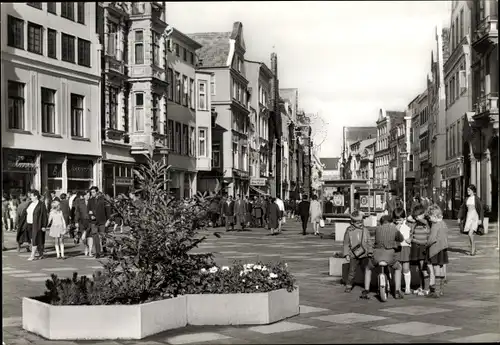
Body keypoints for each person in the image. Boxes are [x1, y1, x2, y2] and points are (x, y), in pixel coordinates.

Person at [363, 213, 405, 300]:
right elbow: (401, 239)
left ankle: (366, 290)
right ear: (390, 222)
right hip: (389, 255)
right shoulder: (394, 228)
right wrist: (397, 229)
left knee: (368, 268)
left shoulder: (377, 229)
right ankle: (397, 291)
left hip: (377, 254)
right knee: (398, 268)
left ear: (381, 222)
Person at [343, 210, 373, 294]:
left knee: (366, 270)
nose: (360, 223)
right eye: (357, 222)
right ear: (352, 222)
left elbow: (369, 242)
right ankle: (348, 285)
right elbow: (346, 243)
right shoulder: (349, 231)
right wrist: (346, 254)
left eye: (361, 221)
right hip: (353, 254)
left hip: (365, 254)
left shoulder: (365, 230)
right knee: (352, 271)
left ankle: (368, 285)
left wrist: (370, 251)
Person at [426, 204, 449, 298]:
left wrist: (426, 244)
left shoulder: (435, 225)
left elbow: (432, 239)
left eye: (430, 217)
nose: (430, 219)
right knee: (441, 269)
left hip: (435, 250)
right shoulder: (443, 223)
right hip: (443, 250)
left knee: (436, 270)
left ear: (435, 216)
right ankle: (441, 290)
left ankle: (436, 291)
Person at [407, 204, 431, 296]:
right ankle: (421, 286)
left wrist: (417, 218)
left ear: (423, 214)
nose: (417, 218)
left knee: (423, 268)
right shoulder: (415, 223)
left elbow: (423, 221)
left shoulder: (426, 222)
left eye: (419, 215)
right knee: (419, 269)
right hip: (416, 247)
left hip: (423, 248)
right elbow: (409, 219)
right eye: (416, 216)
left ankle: (426, 288)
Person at [18, 190, 48, 261]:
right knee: (32, 240)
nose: (30, 197)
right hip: (29, 224)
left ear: (35, 196)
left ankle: (32, 255)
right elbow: (25, 213)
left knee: (35, 239)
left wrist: (44, 225)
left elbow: (44, 215)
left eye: (31, 195)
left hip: (37, 224)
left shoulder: (41, 204)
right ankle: (41, 254)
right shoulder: (30, 203)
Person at [457, 185, 483, 256]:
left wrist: (480, 219)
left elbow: (481, 209)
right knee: (469, 234)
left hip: (475, 217)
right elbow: (462, 208)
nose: (467, 191)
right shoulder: (466, 199)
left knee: (470, 233)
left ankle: (473, 249)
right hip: (468, 217)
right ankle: (473, 247)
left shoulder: (477, 199)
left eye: (469, 190)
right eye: (467, 190)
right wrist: (459, 217)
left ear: (472, 191)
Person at [88, 186, 111, 259]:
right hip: (93, 221)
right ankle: (97, 252)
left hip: (102, 220)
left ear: (97, 192)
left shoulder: (103, 200)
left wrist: (109, 219)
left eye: (94, 192)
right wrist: (91, 215)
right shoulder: (90, 200)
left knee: (103, 235)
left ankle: (104, 249)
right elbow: (88, 210)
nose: (92, 193)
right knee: (95, 236)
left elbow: (108, 210)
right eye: (91, 192)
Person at [393, 208, 412, 295]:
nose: (398, 221)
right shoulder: (393, 226)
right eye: (396, 219)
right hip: (397, 248)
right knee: (398, 268)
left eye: (400, 219)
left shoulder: (408, 225)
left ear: (404, 218)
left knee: (406, 268)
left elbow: (413, 233)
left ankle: (407, 287)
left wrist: (410, 239)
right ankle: (398, 287)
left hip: (405, 248)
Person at [74, 191, 93, 256]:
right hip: (82, 221)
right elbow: (77, 213)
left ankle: (90, 251)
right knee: (83, 238)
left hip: (90, 221)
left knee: (90, 236)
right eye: (86, 195)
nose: (88, 197)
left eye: (89, 195)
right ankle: (86, 246)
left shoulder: (92, 203)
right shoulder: (80, 203)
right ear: (84, 196)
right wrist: (76, 221)